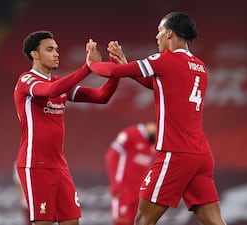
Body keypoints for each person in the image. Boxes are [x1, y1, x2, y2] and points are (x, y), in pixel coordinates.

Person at [86, 12, 227, 225]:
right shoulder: (200, 66)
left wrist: (92, 64)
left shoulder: (166, 59)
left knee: (143, 219)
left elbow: (113, 72)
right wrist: (126, 65)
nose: (157, 36)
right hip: (201, 156)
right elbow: (159, 84)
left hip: (175, 153)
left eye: (160, 31)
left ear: (170, 33)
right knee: (215, 222)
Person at [13, 30, 119, 225]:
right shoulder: (26, 80)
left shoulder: (57, 82)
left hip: (60, 166)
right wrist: (87, 68)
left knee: (72, 222)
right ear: (34, 54)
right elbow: (51, 91)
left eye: (57, 50)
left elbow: (101, 97)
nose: (56, 54)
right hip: (35, 164)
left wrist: (116, 72)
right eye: (50, 49)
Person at [105, 122, 157, 225]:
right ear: (152, 124)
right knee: (122, 222)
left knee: (137, 222)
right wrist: (117, 182)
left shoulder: (153, 143)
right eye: (157, 131)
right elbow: (111, 156)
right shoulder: (130, 134)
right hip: (123, 189)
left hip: (139, 192)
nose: (158, 135)